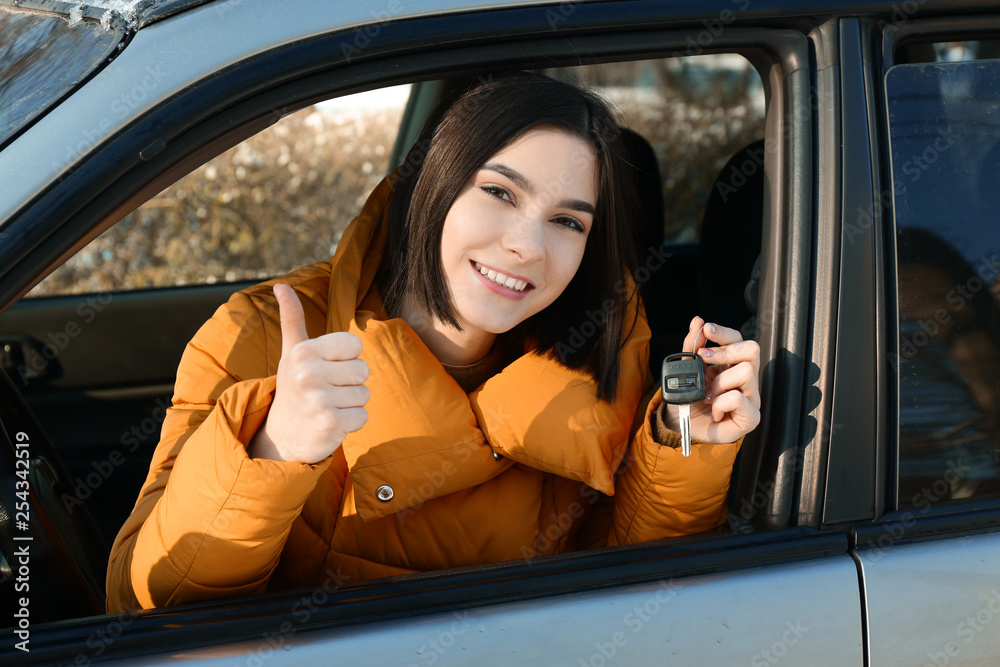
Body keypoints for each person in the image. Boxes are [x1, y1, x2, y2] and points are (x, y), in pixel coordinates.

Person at [106, 73, 761, 612]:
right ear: (435, 184)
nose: (527, 247)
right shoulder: (263, 337)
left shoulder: (602, 363)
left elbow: (642, 602)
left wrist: (689, 447)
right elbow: (147, 607)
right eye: (500, 192)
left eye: (567, 221)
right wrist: (273, 448)